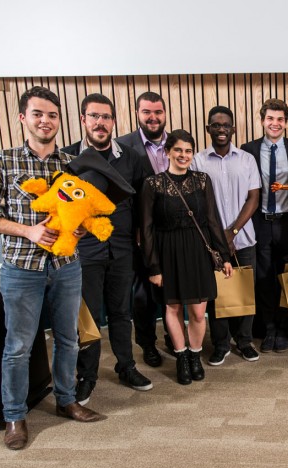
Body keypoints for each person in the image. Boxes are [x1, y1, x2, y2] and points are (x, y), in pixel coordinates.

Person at [0, 86, 104, 450]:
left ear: (60, 121)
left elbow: (85, 209)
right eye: (38, 114)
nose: (45, 121)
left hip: (66, 265)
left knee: (68, 339)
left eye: (52, 115)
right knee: (18, 346)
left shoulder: (71, 164)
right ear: (23, 118)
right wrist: (27, 230)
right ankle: (14, 416)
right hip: (21, 268)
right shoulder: (4, 160)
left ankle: (66, 401)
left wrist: (80, 226)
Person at [62, 94, 153, 405]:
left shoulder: (131, 157)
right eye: (94, 117)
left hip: (122, 247)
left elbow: (143, 202)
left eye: (106, 117)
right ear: (84, 120)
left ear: (114, 121)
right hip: (85, 250)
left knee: (121, 312)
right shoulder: (68, 158)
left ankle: (126, 367)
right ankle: (86, 377)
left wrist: (141, 238)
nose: (100, 123)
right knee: (87, 317)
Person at [140, 130, 233, 386]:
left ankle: (195, 355)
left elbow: (213, 220)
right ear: (168, 152)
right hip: (167, 251)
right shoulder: (153, 184)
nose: (183, 155)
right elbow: (146, 229)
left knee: (199, 311)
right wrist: (153, 267)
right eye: (178, 150)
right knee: (172, 307)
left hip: (198, 251)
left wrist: (223, 255)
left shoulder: (202, 180)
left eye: (188, 151)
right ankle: (181, 357)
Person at [193, 105, 262, 366]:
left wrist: (232, 231)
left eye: (226, 125)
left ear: (233, 129)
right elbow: (198, 202)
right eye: (216, 125)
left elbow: (253, 198)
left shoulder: (246, 159)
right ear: (208, 128)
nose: (221, 129)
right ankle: (221, 344)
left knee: (245, 291)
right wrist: (219, 238)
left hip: (243, 239)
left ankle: (244, 341)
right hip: (211, 243)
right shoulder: (198, 160)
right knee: (218, 294)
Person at [241, 99, 288, 353]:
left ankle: (284, 328)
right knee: (265, 277)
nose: (275, 123)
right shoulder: (248, 149)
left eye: (280, 119)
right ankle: (268, 329)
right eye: (270, 118)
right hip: (260, 222)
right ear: (262, 121)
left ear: (286, 123)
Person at [116, 91, 171, 368]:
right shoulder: (123, 146)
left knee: (174, 290)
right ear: (138, 113)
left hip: (173, 234)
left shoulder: (177, 144)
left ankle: (173, 337)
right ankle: (148, 344)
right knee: (143, 294)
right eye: (147, 112)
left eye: (158, 112)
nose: (153, 117)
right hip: (139, 235)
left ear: (164, 114)